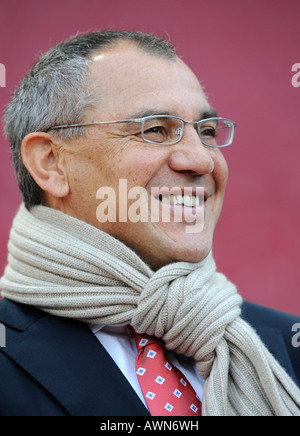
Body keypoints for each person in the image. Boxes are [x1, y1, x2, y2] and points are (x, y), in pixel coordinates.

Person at [0, 30, 299, 417]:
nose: (202, 160)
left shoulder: (287, 346)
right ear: (51, 163)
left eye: (206, 132)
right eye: (156, 130)